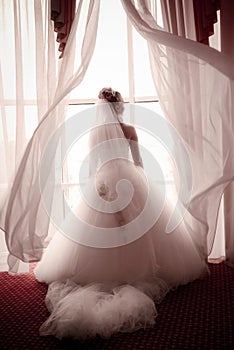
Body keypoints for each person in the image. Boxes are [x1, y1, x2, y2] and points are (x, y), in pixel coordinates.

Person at [34, 87, 208, 340]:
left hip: (102, 183)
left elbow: (93, 166)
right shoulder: (129, 130)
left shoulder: (94, 134)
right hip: (130, 180)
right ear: (120, 107)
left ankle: (99, 272)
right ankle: (142, 269)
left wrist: (101, 187)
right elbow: (139, 163)